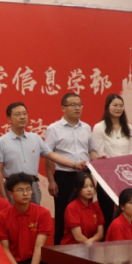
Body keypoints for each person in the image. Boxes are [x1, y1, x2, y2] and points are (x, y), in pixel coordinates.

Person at [0, 102, 83, 204]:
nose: (22, 117)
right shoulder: (2, 141)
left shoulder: (35, 138)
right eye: (18, 114)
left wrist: (74, 164)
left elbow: (53, 155)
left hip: (32, 185)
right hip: (13, 186)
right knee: (13, 214)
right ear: (9, 119)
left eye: (24, 113)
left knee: (35, 213)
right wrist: (3, 196)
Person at [44, 93, 99, 246]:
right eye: (73, 105)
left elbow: (91, 151)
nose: (77, 108)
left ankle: (86, 249)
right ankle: (59, 255)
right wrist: (51, 180)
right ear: (63, 108)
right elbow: (47, 155)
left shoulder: (86, 127)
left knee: (85, 215)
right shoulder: (54, 129)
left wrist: (98, 159)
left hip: (84, 176)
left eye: (79, 105)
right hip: (64, 177)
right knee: (63, 216)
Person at [0, 173, 56, 264]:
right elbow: (5, 248)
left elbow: (39, 247)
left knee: (58, 259)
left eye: (28, 189)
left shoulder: (43, 213)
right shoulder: (2, 216)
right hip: (13, 261)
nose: (25, 193)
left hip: (34, 258)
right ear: (11, 194)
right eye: (20, 190)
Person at [91, 94, 132, 230]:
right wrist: (105, 179)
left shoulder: (128, 128)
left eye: (121, 105)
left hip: (125, 177)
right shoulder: (99, 127)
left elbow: (131, 153)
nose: (118, 108)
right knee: (107, 214)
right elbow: (99, 155)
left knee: (126, 213)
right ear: (107, 107)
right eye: (115, 105)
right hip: (107, 177)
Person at [59, 173, 104, 246]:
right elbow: (78, 237)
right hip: (71, 248)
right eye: (85, 187)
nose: (89, 190)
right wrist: (90, 246)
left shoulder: (96, 207)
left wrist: (91, 242)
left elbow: (100, 234)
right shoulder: (72, 207)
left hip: (90, 247)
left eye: (91, 186)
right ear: (77, 189)